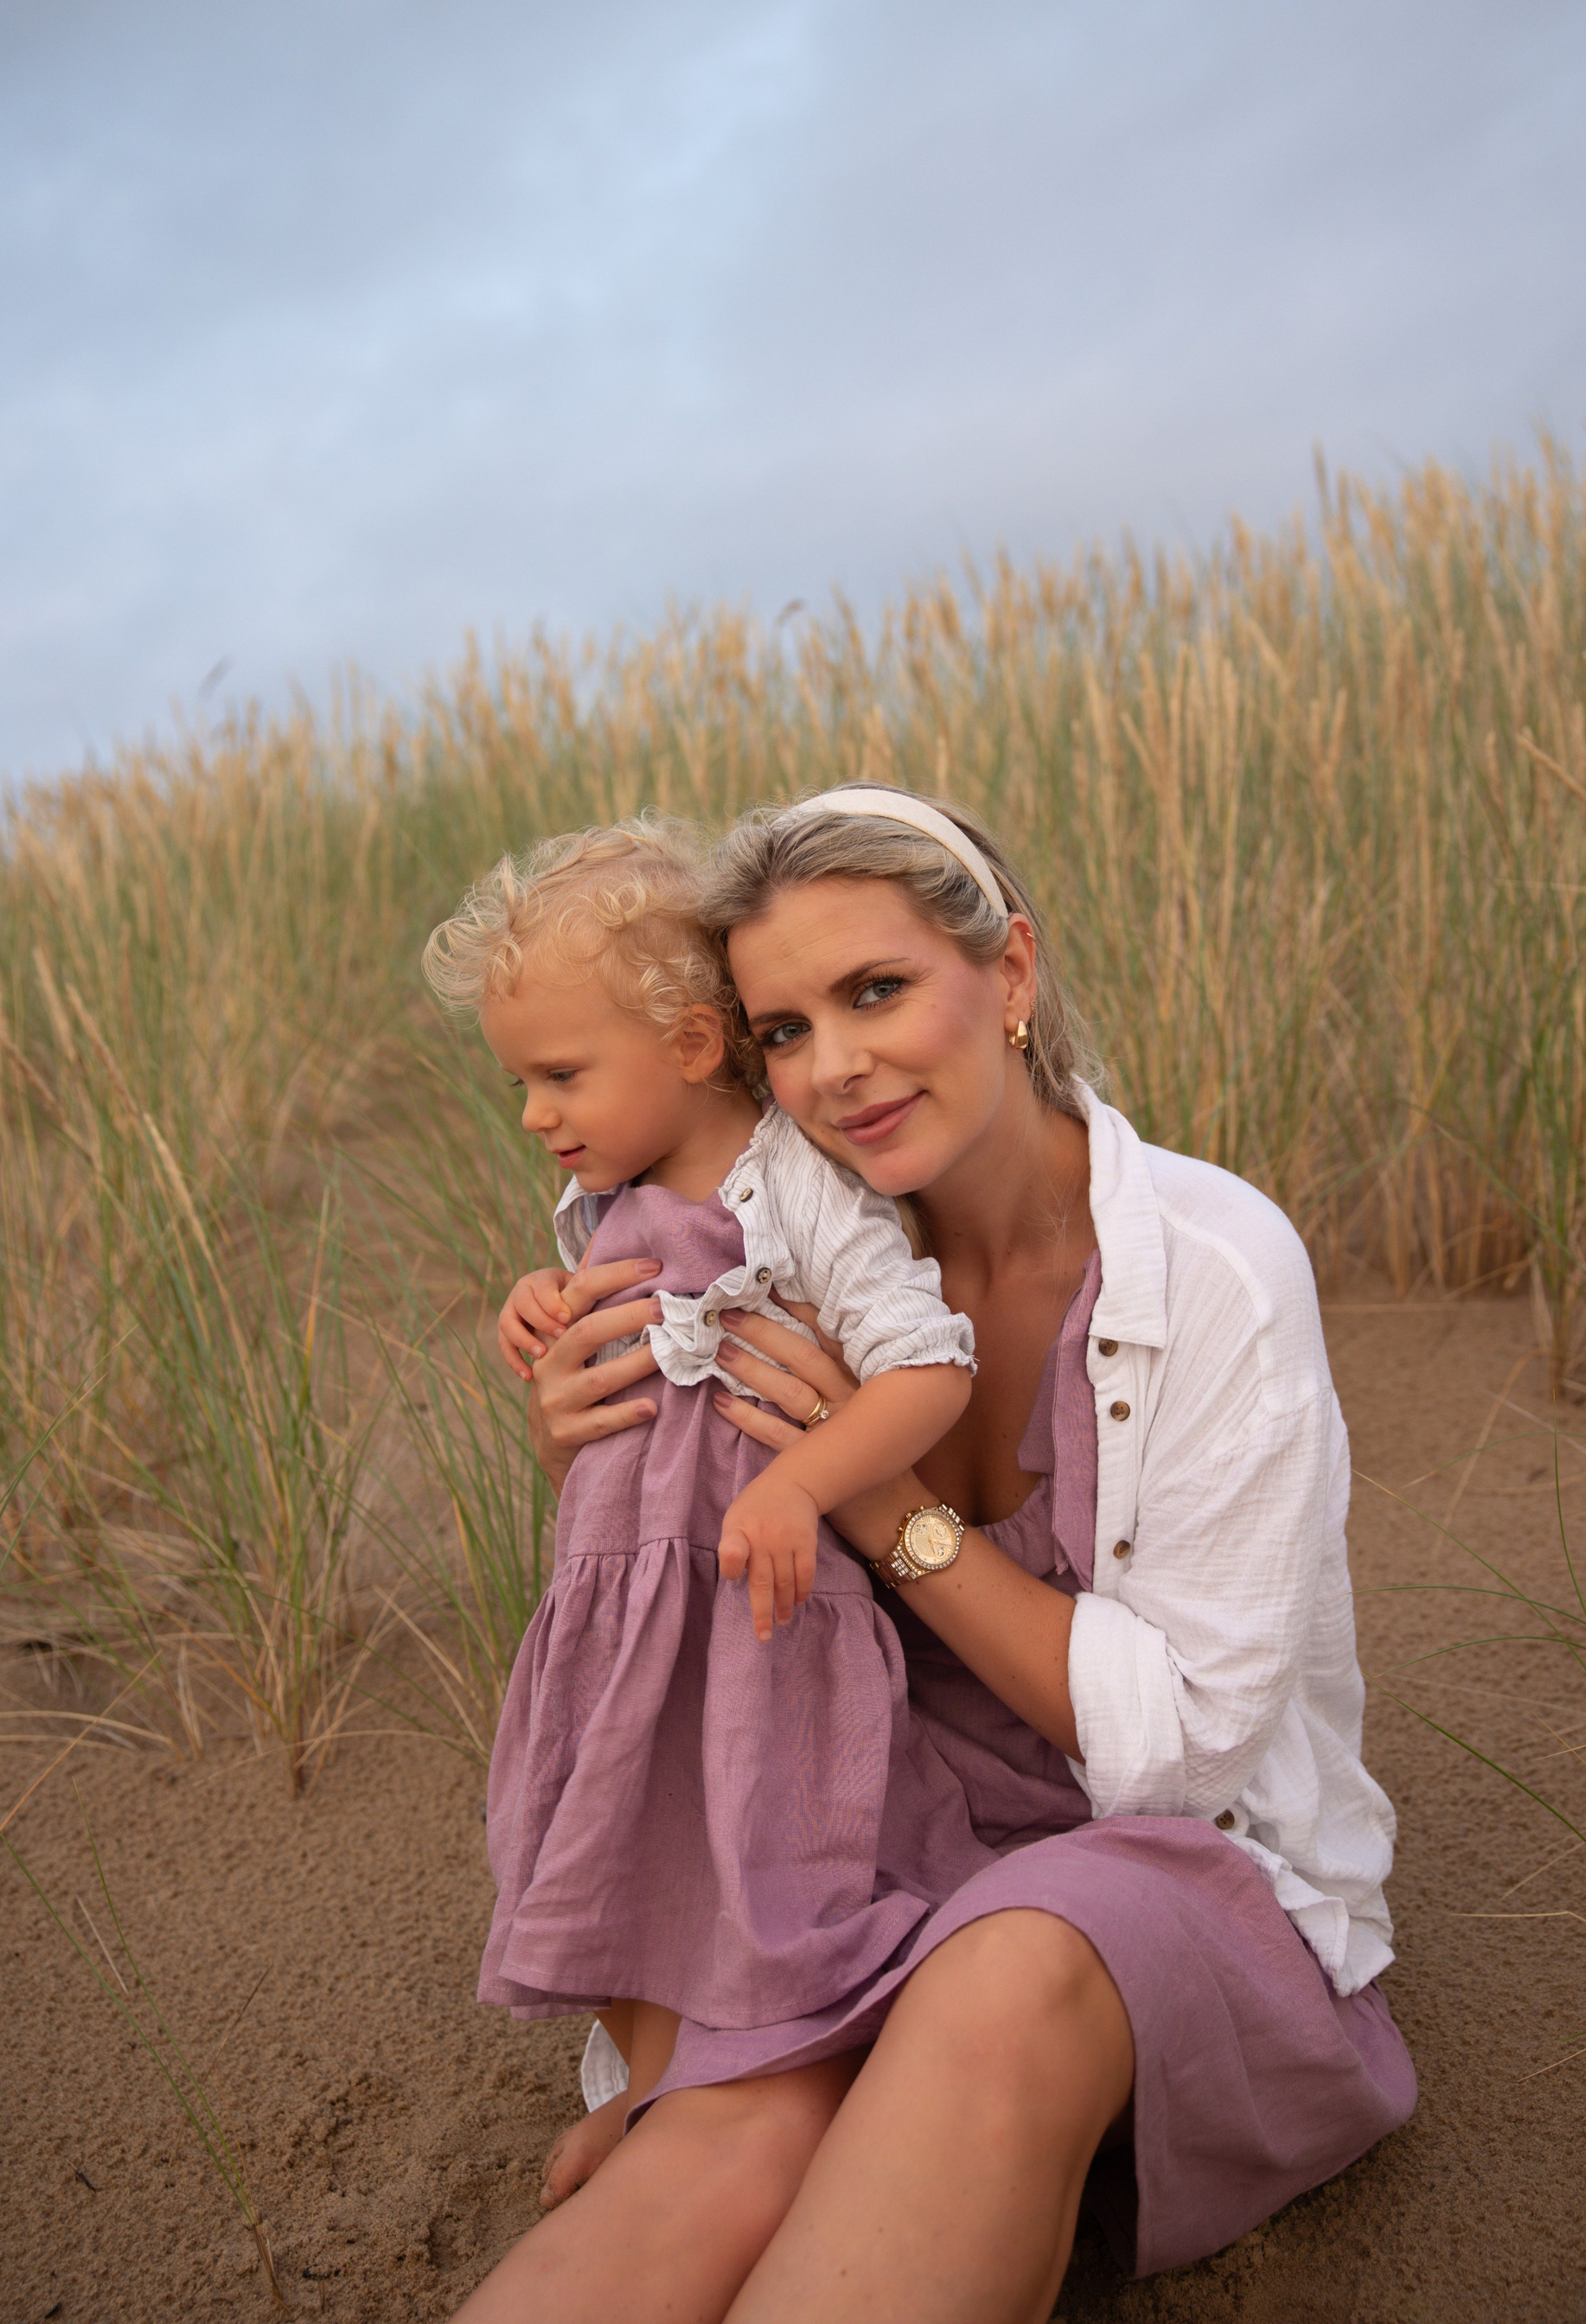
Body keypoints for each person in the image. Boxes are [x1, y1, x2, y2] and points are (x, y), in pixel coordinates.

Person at [453, 786, 1415, 2324]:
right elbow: (685, 1561)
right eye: (784, 1029)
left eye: (878, 990)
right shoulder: (786, 1236)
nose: (834, 1066)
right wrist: (585, 1437)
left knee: (1000, 1985)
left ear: (1011, 972)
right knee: (728, 2143)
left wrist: (878, 1501)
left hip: (1144, 1855)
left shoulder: (1213, 1269)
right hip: (866, 1836)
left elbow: (1189, 1751)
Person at [422, 820, 985, 2191]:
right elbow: (604, 1364)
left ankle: (734, 2084)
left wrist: (800, 1483)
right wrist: (538, 1306)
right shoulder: (596, 1200)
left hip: (754, 1599)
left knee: (755, 1834)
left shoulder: (794, 1188)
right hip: (616, 1606)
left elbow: (928, 1368)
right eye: (520, 1082)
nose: (535, 1115)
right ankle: (648, 2084)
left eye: (560, 1076)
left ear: (686, 1045)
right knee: (598, 1822)